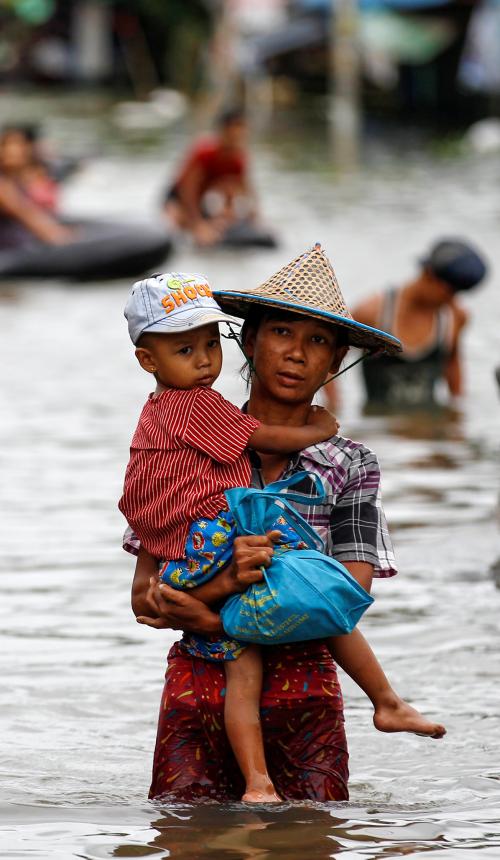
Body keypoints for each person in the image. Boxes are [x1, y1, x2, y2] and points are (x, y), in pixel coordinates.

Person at [126, 245, 445, 804]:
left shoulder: (350, 463)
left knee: (311, 835)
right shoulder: (186, 440)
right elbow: (146, 600)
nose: (297, 354)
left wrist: (214, 604)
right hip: (199, 689)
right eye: (280, 333)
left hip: (306, 696)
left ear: (337, 359)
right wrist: (221, 591)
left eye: (318, 341)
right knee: (187, 836)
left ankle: (385, 705)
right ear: (248, 341)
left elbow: (349, 596)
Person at [353, 238, 488, 413]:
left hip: (430, 429)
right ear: (428, 274)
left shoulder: (454, 317)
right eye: (450, 291)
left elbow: (453, 363)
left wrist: (457, 417)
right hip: (381, 431)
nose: (453, 300)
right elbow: (329, 360)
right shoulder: (372, 312)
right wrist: (334, 407)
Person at [163, 108, 255, 247]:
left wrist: (252, 220)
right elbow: (187, 191)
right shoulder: (204, 152)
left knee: (221, 226)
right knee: (174, 226)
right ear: (224, 130)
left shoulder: (238, 159)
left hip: (200, 202)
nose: (240, 135)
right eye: (236, 129)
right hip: (177, 198)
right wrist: (197, 225)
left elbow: (241, 190)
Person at [0, 124, 73, 248]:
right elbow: (27, 214)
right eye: (5, 145)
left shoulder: (20, 180)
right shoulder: (3, 187)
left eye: (17, 145)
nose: (10, 150)